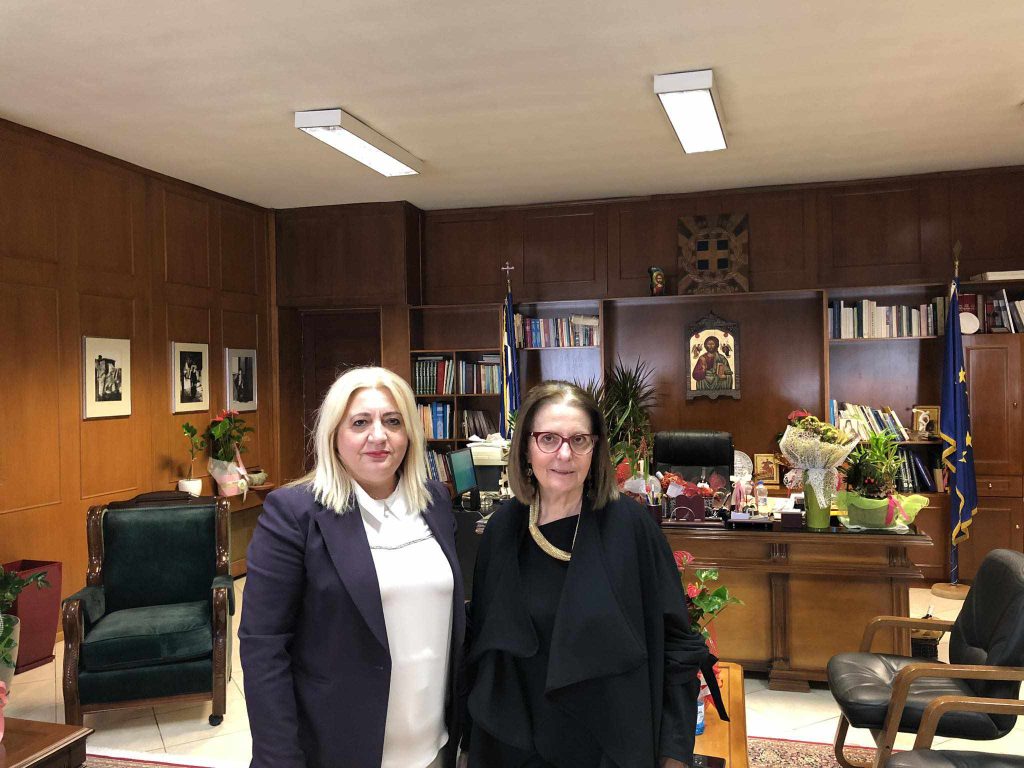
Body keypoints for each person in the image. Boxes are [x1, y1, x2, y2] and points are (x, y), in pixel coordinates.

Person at [460, 381, 724, 768]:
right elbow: (483, 650)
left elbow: (677, 645)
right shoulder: (502, 530)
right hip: (512, 749)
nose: (564, 453)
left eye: (579, 440)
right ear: (526, 447)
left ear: (595, 448)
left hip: (608, 746)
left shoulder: (632, 528)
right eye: (548, 438)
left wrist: (674, 752)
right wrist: (469, 742)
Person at [240, 366, 464, 768]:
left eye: (392, 421)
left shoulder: (434, 500)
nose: (378, 436)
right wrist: (279, 758)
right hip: (339, 748)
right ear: (334, 435)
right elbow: (264, 646)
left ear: (409, 433)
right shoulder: (293, 514)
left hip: (434, 744)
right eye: (360, 422)